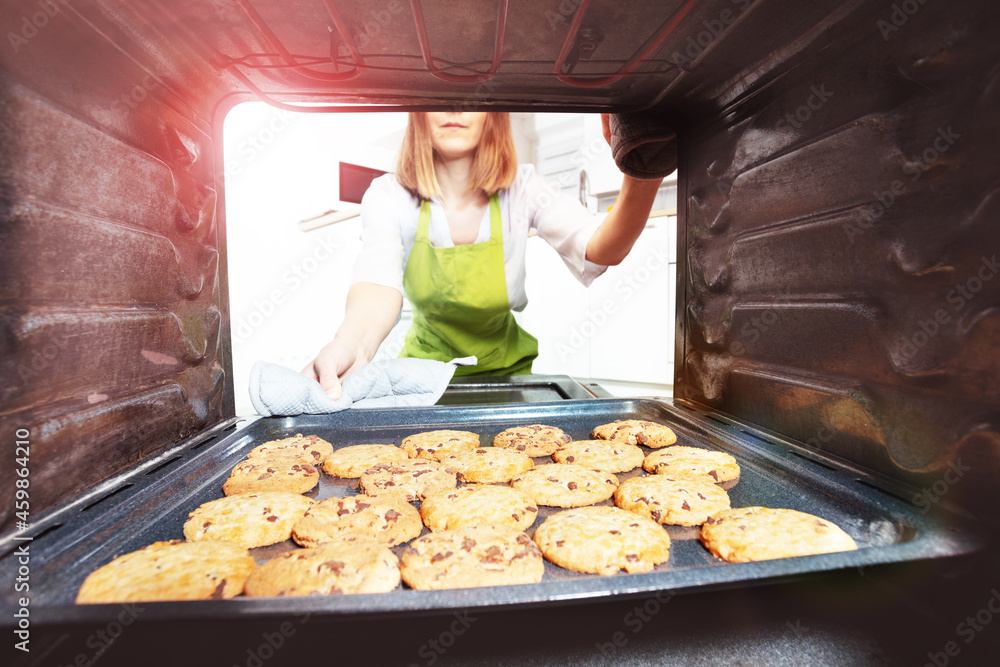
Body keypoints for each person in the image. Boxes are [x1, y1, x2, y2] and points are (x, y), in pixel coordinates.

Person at [303, 111, 663, 399]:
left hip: (508, 381)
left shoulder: (524, 189)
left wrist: (643, 167)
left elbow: (600, 247)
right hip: (420, 381)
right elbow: (376, 283)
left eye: (470, 96)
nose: (454, 108)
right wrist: (350, 345)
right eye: (438, 97)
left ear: (493, 114)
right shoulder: (388, 195)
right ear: (418, 114)